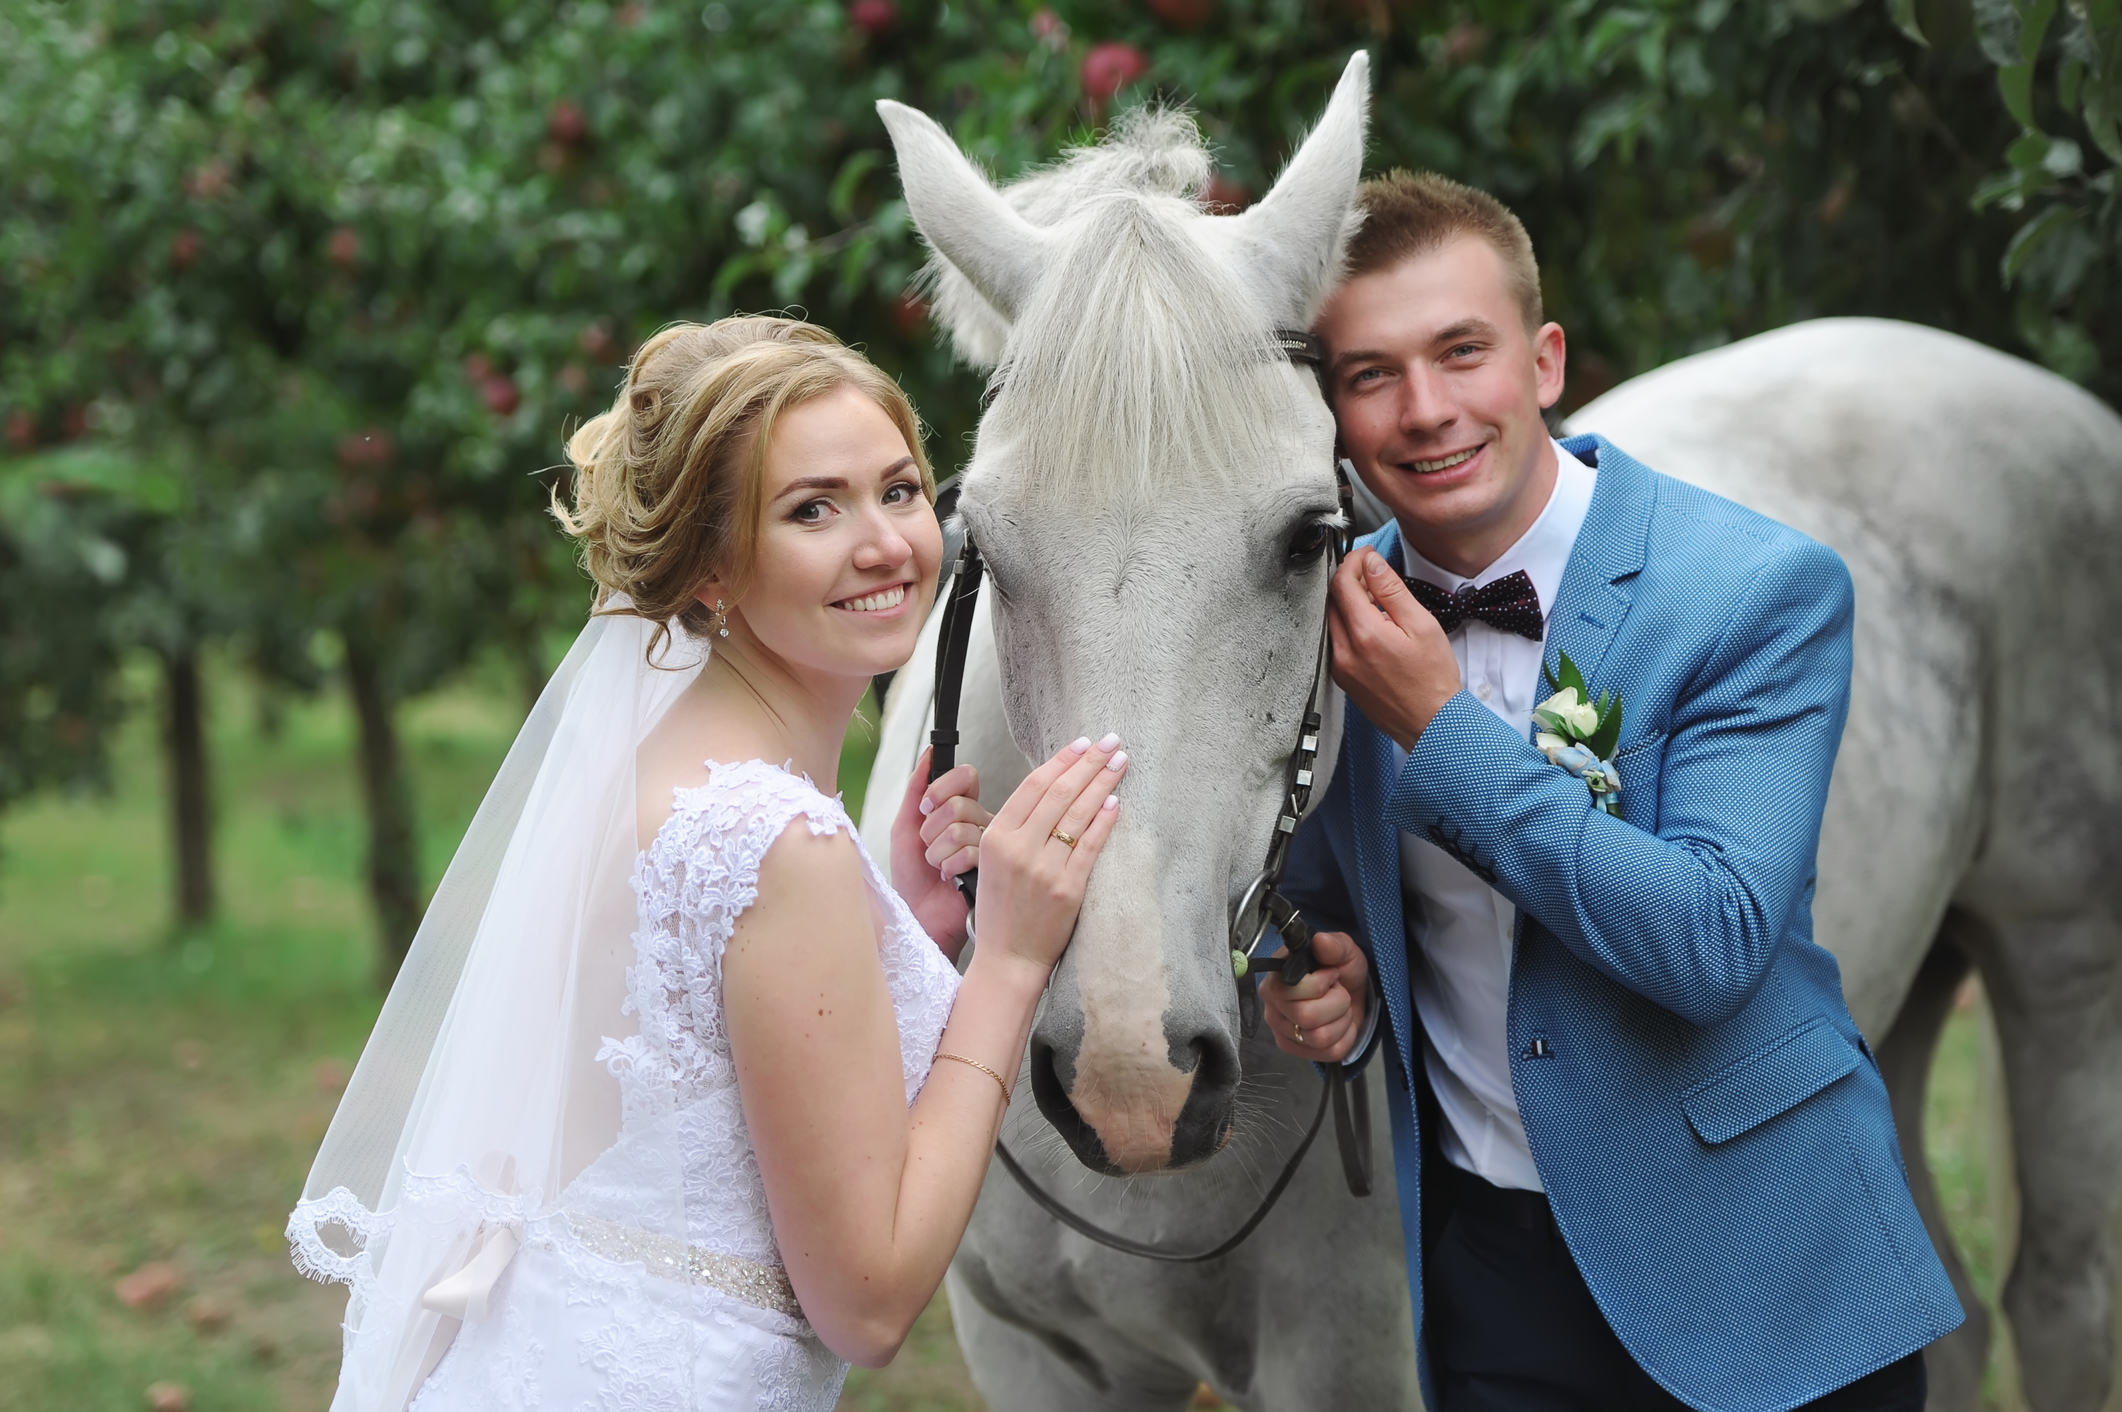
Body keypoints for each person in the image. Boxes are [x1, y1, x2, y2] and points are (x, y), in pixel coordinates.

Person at [287, 316, 1127, 1411]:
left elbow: (691, 1099)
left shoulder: (658, 781)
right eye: (811, 508)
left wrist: (904, 931)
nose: (882, 541)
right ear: (712, 566)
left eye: (900, 488)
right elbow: (867, 1305)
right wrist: (1008, 960)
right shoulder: (777, 844)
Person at [1258, 173, 1961, 1411]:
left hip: (1766, 1259)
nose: (1424, 411)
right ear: (1330, 408)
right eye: (1370, 373)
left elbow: (1710, 940)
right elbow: (1315, 897)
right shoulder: (1328, 614)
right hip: (1489, 1276)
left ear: (1543, 361)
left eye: (1460, 352)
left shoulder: (1756, 591)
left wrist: (1440, 726)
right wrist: (1337, 985)